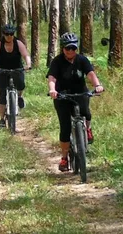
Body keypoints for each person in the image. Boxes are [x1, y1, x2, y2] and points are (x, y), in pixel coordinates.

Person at [47, 32, 103, 172]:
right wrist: (52, 90)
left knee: (86, 113)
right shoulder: (57, 61)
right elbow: (52, 78)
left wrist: (97, 85)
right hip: (62, 96)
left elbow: (90, 74)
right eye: (67, 48)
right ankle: (65, 158)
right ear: (62, 49)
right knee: (65, 128)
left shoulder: (82, 60)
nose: (70, 51)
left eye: (73, 48)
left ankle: (87, 129)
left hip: (80, 93)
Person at [0, 25, 33, 129]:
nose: (9, 36)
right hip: (2, 70)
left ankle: (19, 96)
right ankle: (1, 119)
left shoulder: (18, 43)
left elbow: (26, 55)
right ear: (3, 34)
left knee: (21, 85)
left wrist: (28, 65)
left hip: (17, 69)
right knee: (2, 94)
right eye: (7, 34)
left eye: (11, 34)